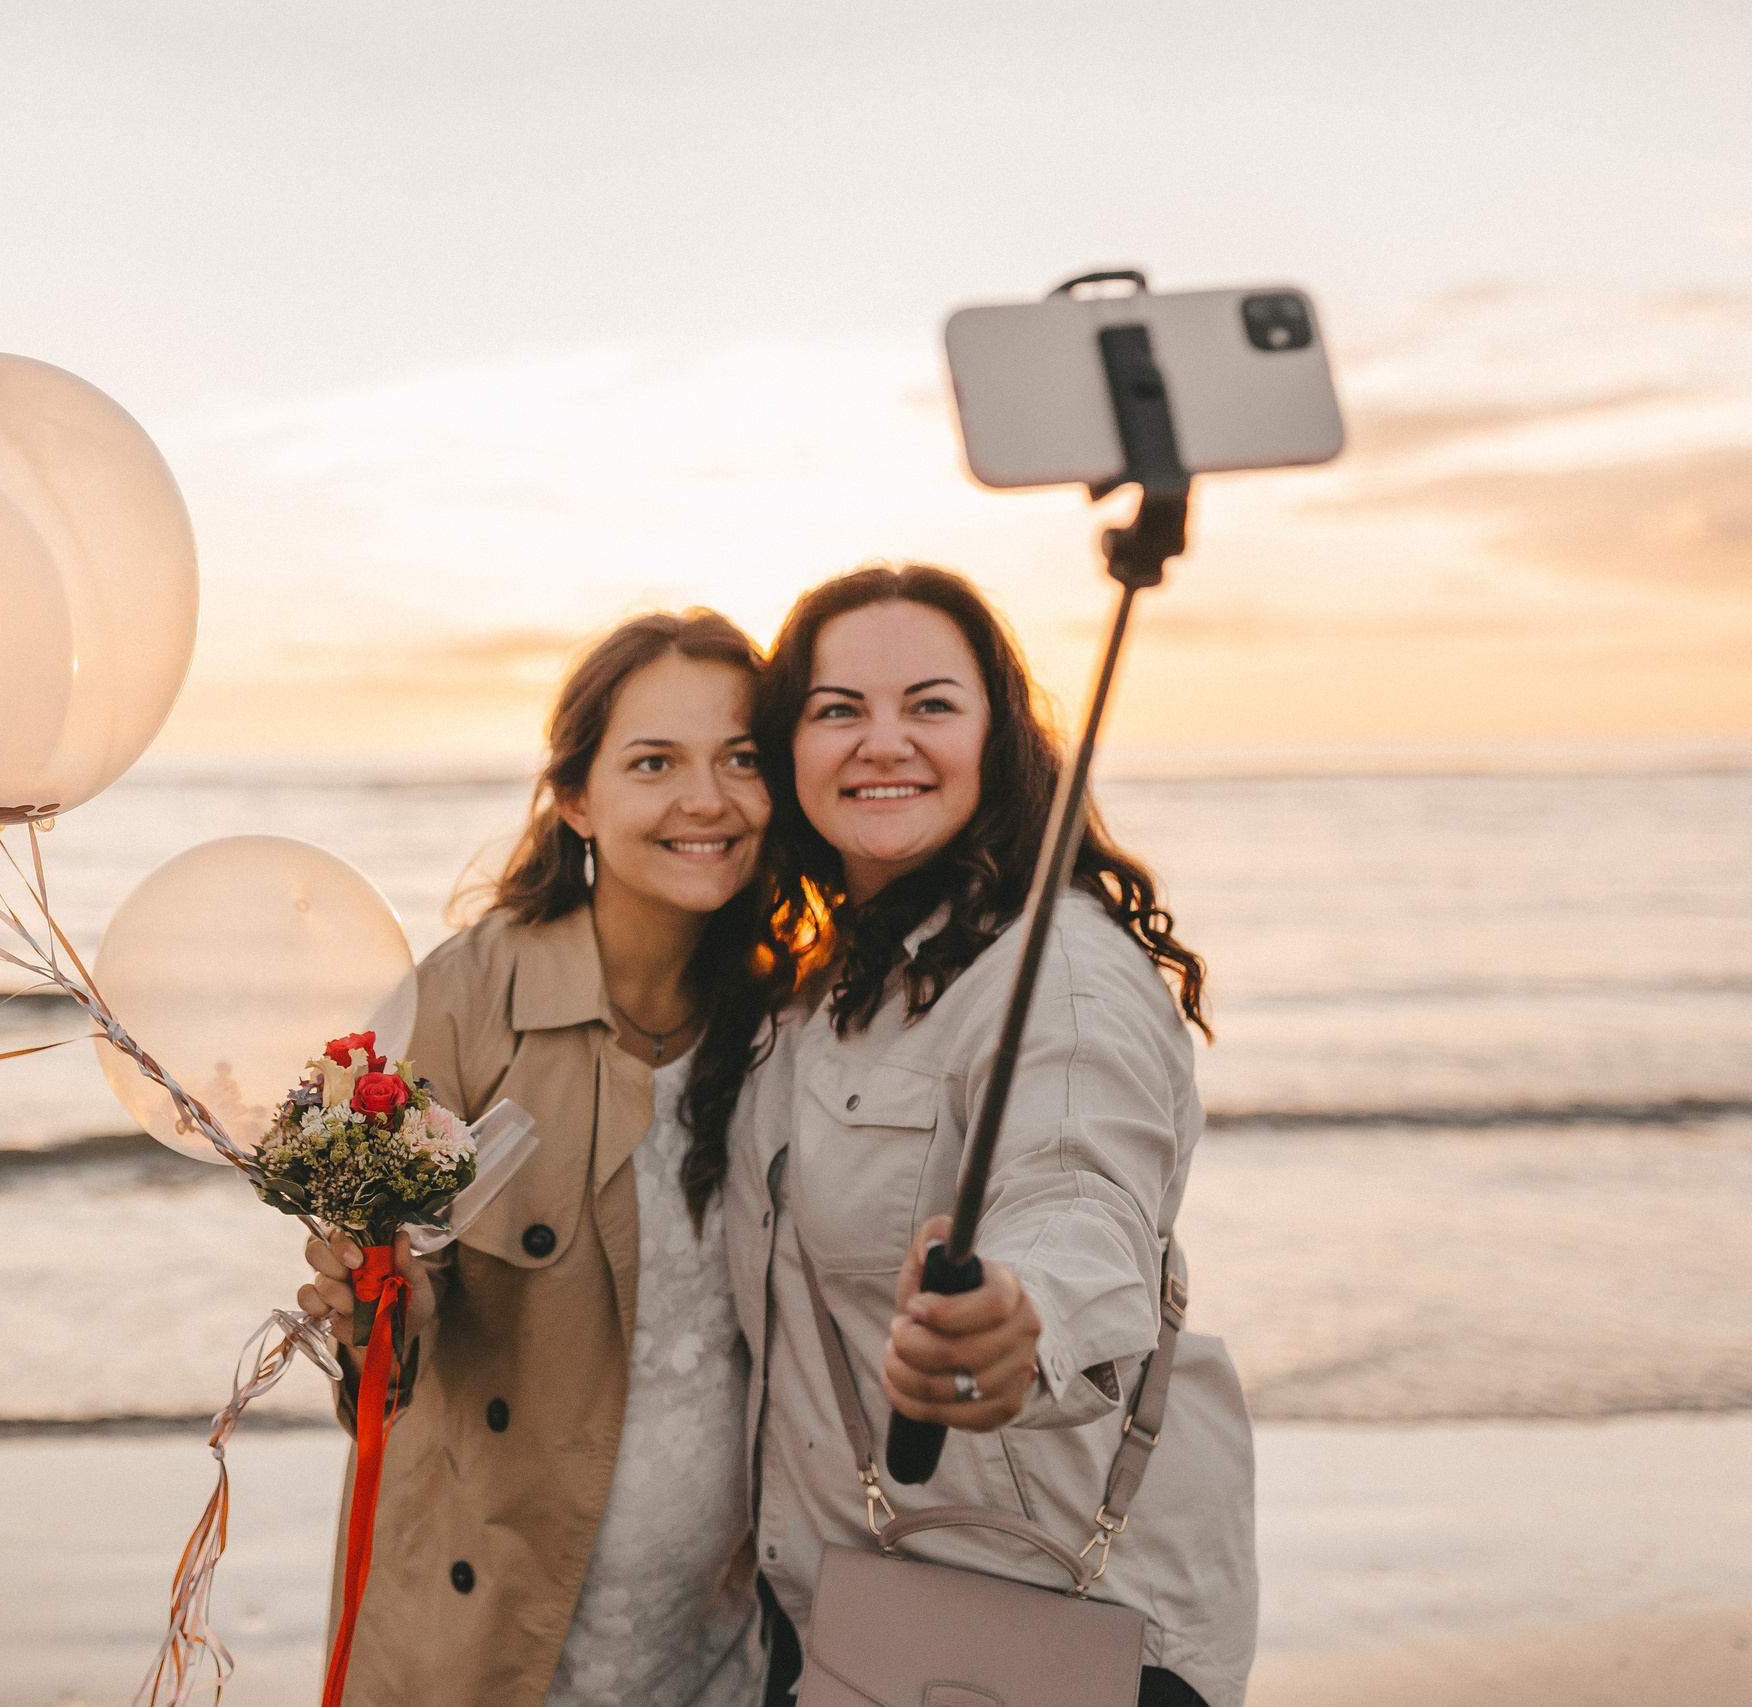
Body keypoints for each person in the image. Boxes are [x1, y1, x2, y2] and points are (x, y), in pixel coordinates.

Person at [725, 563, 1258, 1707]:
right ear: (786, 750)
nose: (882, 742)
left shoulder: (1055, 974)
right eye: (836, 711)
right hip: (857, 1616)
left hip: (1043, 1627)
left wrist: (1018, 1320)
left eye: (929, 704)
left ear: (997, 737)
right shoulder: (833, 982)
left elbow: (1079, 1191)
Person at [297, 609, 789, 1707]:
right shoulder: (460, 1003)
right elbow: (378, 1343)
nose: (703, 799)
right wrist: (382, 1314)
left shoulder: (791, 1015)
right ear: (575, 797)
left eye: (740, 760)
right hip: (498, 1643)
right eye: (653, 762)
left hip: (723, 1645)